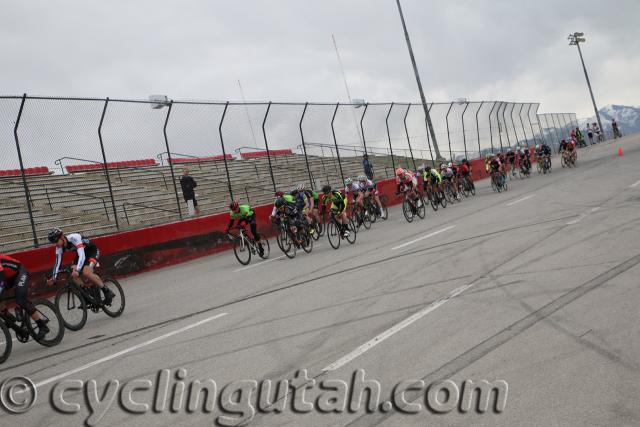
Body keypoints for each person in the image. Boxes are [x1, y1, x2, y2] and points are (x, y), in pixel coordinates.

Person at [46, 228, 114, 305]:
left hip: (92, 251)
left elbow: (82, 255)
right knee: (72, 272)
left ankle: (107, 291)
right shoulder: (59, 247)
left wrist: (78, 270)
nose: (55, 244)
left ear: (62, 237)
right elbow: (57, 263)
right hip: (81, 254)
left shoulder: (74, 238)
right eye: (53, 243)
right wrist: (54, 277)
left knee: (86, 272)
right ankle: (86, 295)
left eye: (56, 241)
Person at [0, 254, 49, 339]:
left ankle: (42, 326)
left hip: (19, 273)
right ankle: (8, 316)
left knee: (21, 300)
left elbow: (2, 281)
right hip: (7, 277)